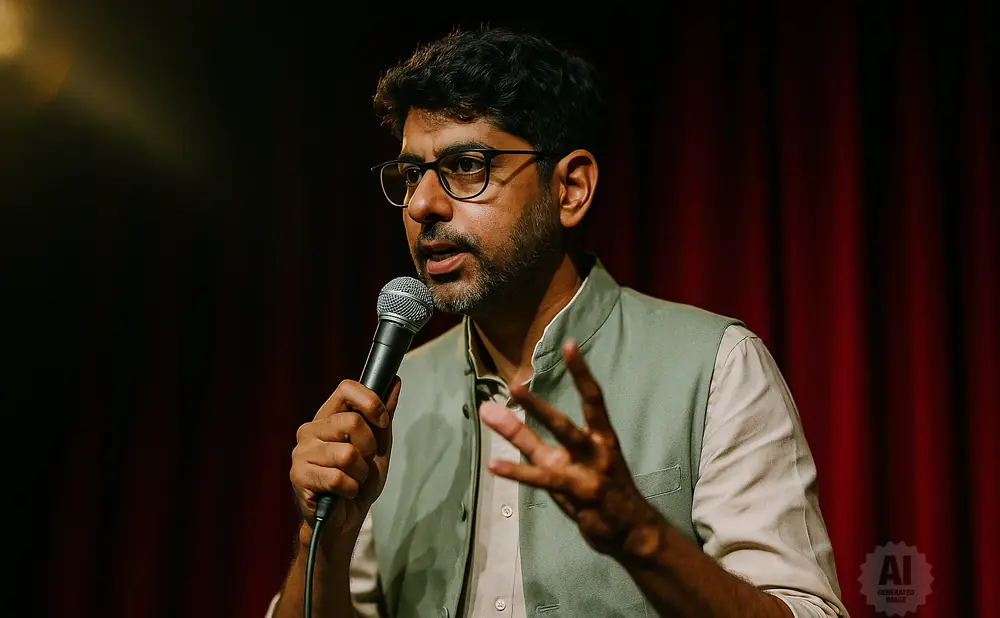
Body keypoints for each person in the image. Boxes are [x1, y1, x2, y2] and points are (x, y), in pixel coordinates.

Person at [267, 26, 849, 618]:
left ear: (571, 188)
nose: (422, 205)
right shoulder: (395, 396)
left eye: (467, 166)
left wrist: (645, 542)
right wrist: (324, 541)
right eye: (411, 174)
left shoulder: (716, 363)